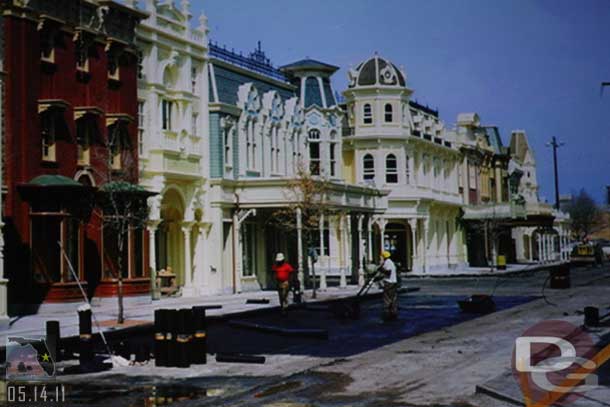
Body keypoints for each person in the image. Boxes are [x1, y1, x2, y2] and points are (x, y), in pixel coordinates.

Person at [379, 250, 398, 321]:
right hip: (393, 282)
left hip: (389, 282)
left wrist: (381, 269)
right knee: (393, 298)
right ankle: (393, 313)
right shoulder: (390, 262)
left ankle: (387, 314)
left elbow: (388, 272)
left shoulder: (387, 263)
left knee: (387, 298)